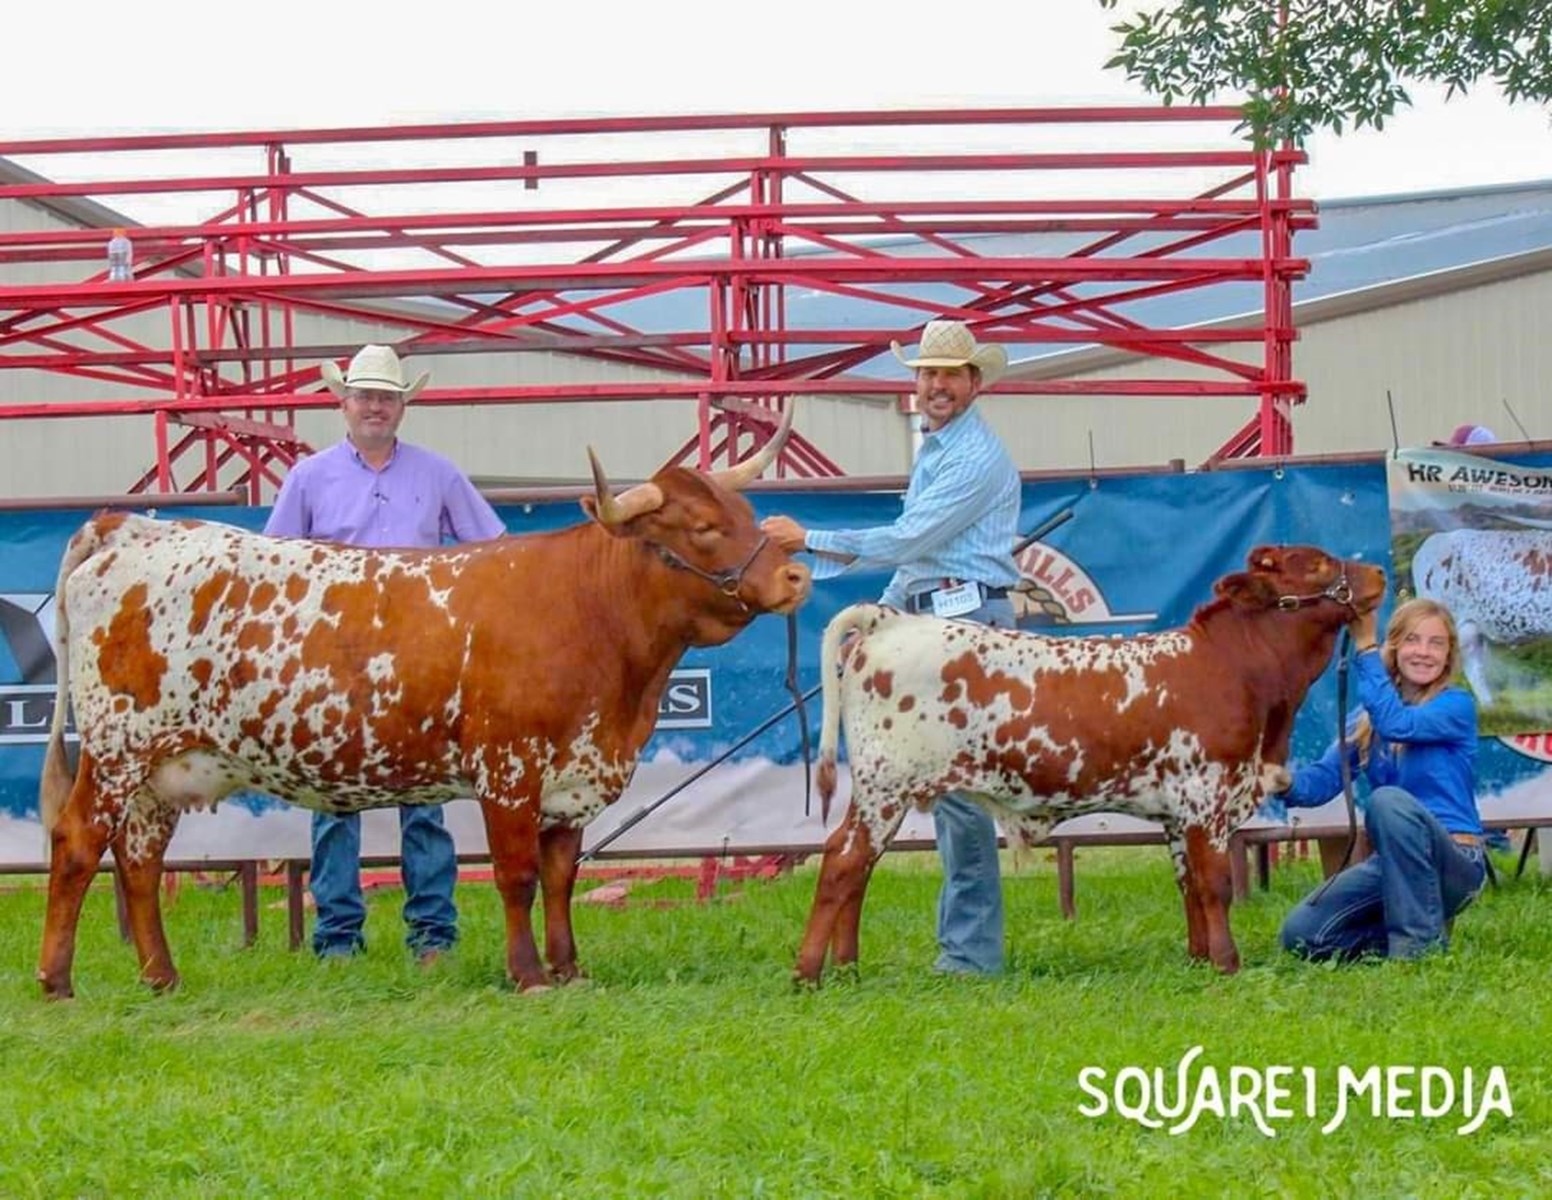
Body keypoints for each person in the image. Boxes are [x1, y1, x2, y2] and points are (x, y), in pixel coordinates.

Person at [761, 318, 1022, 975]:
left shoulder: (974, 457)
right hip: (939, 621)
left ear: (974, 382)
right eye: (927, 373)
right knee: (951, 786)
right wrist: (882, 614)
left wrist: (809, 540)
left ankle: (972, 955)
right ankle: (965, 949)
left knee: (960, 786)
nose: (936, 385)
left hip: (968, 626)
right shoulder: (942, 448)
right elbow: (921, 555)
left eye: (949, 374)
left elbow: (910, 539)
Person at [264, 344, 506, 962]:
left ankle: (432, 934)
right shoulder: (308, 477)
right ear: (343, 404)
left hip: (420, 658)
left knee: (423, 800)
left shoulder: (438, 474)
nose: (375, 407)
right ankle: (337, 936)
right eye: (365, 396)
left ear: (402, 407)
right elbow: (274, 570)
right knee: (332, 797)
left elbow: (493, 554)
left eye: (386, 398)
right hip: (333, 659)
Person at [1278, 597, 1486, 962]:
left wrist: (1365, 646)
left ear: (1449, 655)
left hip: (1456, 860)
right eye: (1412, 640)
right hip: (1393, 864)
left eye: (1436, 643)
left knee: (1388, 800)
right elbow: (1325, 779)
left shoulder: (1456, 705)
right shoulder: (1367, 718)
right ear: (1396, 647)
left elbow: (1398, 725)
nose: (1424, 652)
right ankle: (1421, 932)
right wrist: (1283, 782)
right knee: (1301, 934)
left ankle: (1416, 951)